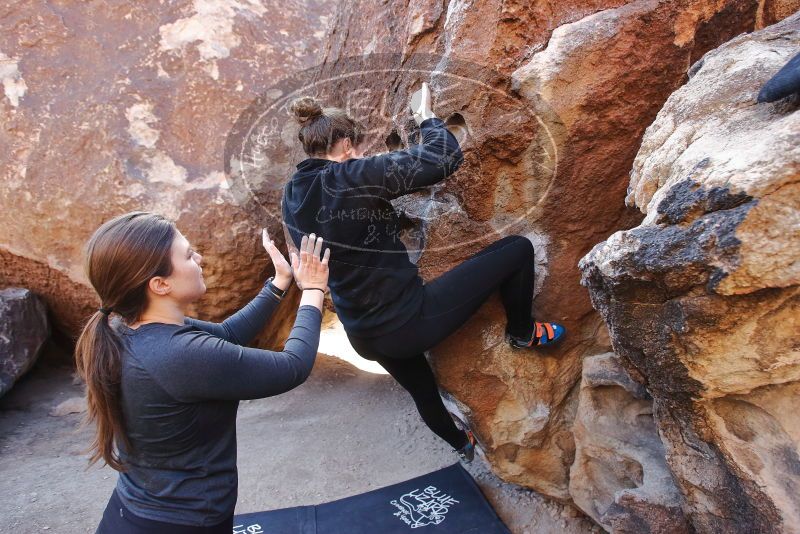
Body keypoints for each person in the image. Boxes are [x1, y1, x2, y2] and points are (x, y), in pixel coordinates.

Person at [281, 83, 566, 463]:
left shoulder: (293, 193)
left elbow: (337, 224)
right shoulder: (352, 175)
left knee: (423, 393)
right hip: (406, 322)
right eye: (361, 149)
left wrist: (389, 215)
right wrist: (426, 118)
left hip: (362, 333)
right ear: (347, 146)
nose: (365, 154)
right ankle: (522, 331)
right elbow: (442, 158)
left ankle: (460, 443)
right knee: (517, 249)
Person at [74, 211, 330, 533]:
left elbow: (225, 336)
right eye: (187, 255)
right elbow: (292, 367)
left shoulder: (129, 328)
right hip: (183, 521)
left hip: (132, 512)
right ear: (160, 284)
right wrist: (314, 290)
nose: (199, 257)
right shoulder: (178, 354)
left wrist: (278, 284)